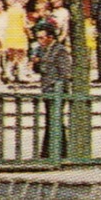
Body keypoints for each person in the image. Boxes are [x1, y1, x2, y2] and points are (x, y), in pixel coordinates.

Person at [32, 21, 74, 161]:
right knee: (50, 120)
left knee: (55, 119)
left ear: (50, 37)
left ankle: (56, 151)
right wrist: (36, 63)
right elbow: (40, 69)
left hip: (57, 90)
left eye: (42, 38)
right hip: (46, 89)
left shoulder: (59, 50)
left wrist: (59, 86)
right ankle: (52, 151)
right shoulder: (40, 50)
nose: (40, 41)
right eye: (38, 38)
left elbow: (65, 72)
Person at [4, 0, 32, 83]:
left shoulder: (9, 11)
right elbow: (24, 25)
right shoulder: (21, 11)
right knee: (21, 56)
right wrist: (29, 33)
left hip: (10, 35)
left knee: (12, 57)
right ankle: (21, 74)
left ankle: (8, 73)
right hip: (19, 35)